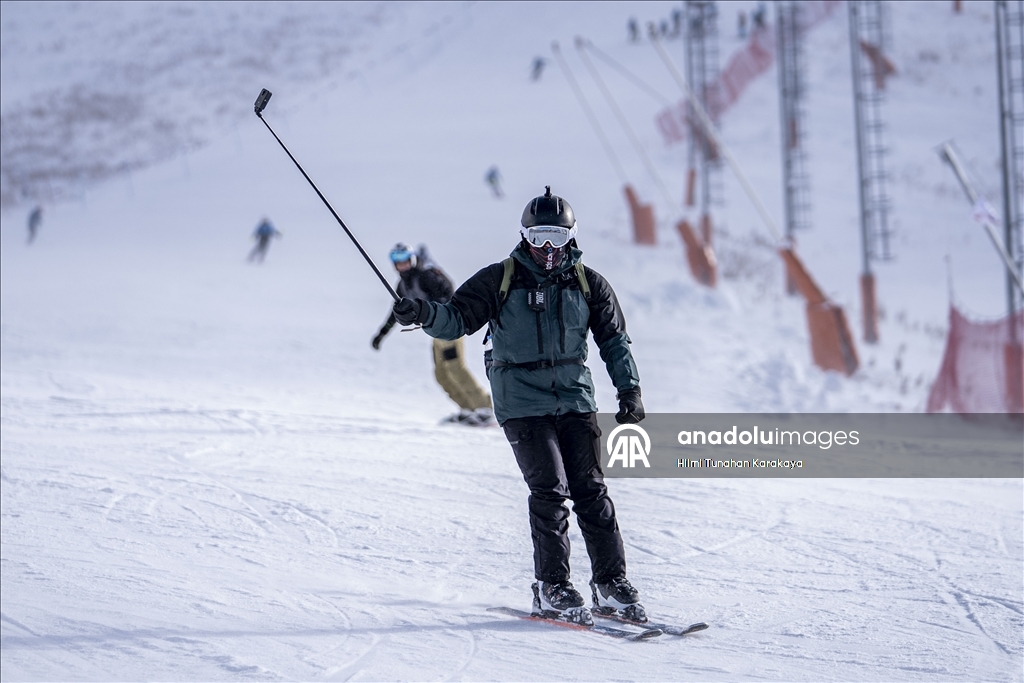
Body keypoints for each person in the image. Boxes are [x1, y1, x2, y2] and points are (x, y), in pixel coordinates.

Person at [391, 187, 647, 626]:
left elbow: (613, 341)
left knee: (590, 491)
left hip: (574, 397)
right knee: (549, 491)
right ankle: (553, 587)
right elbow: (457, 318)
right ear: (525, 235)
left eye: (558, 237)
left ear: (572, 237)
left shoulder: (589, 283)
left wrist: (629, 390)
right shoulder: (499, 278)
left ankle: (611, 583)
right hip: (522, 401)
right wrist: (422, 313)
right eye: (540, 236)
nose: (549, 248)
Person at [373, 243, 494, 425]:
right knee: (442, 374)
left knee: (455, 368)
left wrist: (433, 312)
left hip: (448, 331)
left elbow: (449, 293)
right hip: (436, 334)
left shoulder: (427, 276)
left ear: (412, 259)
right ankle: (468, 409)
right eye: (396, 261)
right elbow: (396, 311)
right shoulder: (403, 284)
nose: (401, 264)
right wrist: (381, 334)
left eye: (405, 259)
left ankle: (486, 409)